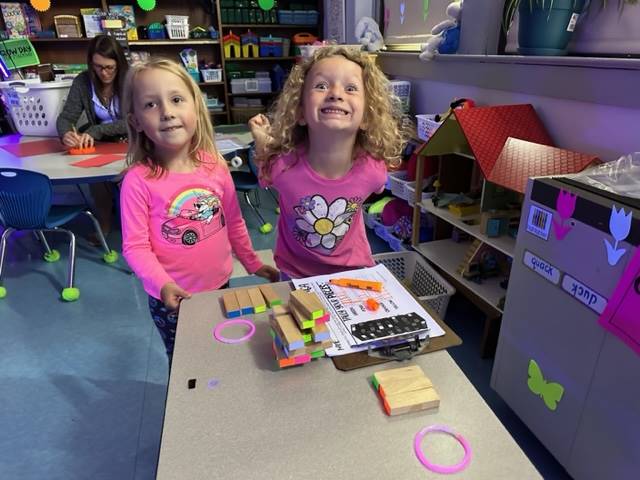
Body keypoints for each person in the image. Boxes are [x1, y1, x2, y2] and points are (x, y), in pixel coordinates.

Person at [120, 58, 278, 359]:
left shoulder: (215, 166)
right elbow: (135, 247)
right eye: (151, 105)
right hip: (173, 299)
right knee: (185, 364)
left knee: (219, 354)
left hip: (220, 284)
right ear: (136, 121)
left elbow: (233, 221)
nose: (167, 112)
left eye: (176, 99)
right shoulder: (137, 181)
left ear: (195, 107)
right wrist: (162, 284)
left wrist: (253, 262)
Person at [249, 45, 406, 279]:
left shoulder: (372, 170)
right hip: (295, 273)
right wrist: (261, 136)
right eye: (321, 86)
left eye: (351, 88)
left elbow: (379, 183)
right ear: (299, 112)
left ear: (366, 117)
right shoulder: (282, 166)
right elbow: (265, 157)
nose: (335, 93)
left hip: (353, 271)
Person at [56, 34, 129, 238]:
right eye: (98, 67)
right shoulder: (83, 81)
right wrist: (66, 134)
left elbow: (134, 120)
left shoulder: (131, 78)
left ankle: (136, 232)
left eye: (109, 67)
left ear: (119, 64)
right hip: (102, 146)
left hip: (131, 143)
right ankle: (104, 226)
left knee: (130, 181)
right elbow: (65, 118)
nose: (104, 73)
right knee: (97, 179)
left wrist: (96, 130)